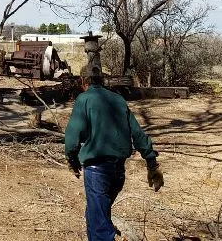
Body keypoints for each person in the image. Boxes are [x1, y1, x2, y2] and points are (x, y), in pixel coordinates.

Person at [64, 65, 164, 241]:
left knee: (100, 226)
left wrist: (71, 160)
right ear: (103, 80)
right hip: (118, 172)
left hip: (97, 171)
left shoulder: (84, 99)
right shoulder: (118, 100)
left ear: (82, 81)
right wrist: (152, 163)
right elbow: (138, 134)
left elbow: (72, 137)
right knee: (96, 216)